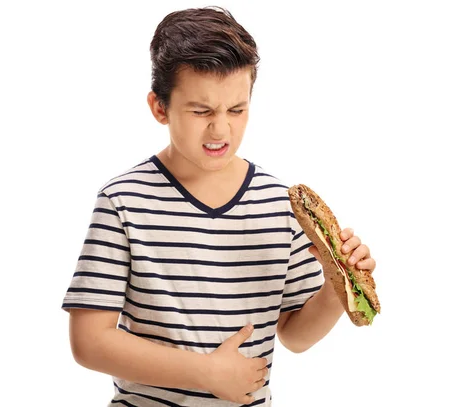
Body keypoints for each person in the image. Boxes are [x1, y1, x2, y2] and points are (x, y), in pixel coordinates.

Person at [61, 6, 376, 406]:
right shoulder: (123, 201)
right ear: (160, 107)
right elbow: (89, 343)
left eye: (237, 110)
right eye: (201, 110)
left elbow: (295, 335)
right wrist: (204, 372)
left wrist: (337, 286)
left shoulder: (278, 205)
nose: (220, 129)